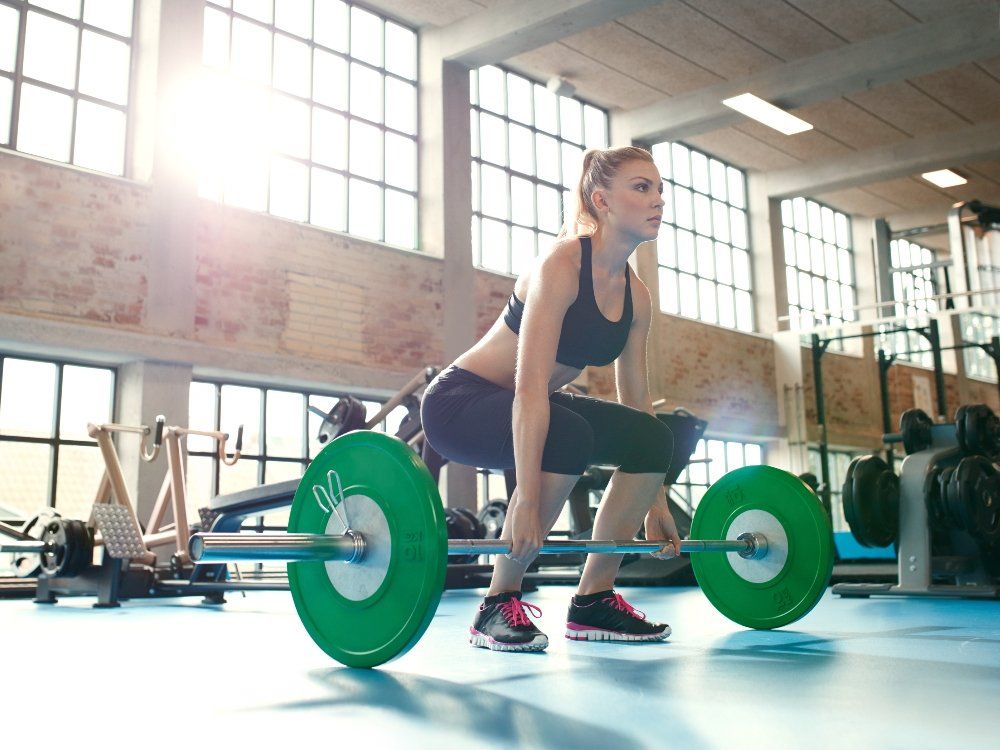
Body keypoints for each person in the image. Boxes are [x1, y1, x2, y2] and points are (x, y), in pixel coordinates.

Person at [420, 146, 682, 652]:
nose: (658, 200)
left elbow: (637, 400)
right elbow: (528, 386)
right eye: (642, 187)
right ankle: (498, 602)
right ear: (602, 200)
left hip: (528, 401)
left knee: (652, 435)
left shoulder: (637, 296)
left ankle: (594, 600)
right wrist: (525, 499)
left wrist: (657, 499)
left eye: (659, 189)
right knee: (569, 432)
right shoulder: (561, 266)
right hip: (459, 403)